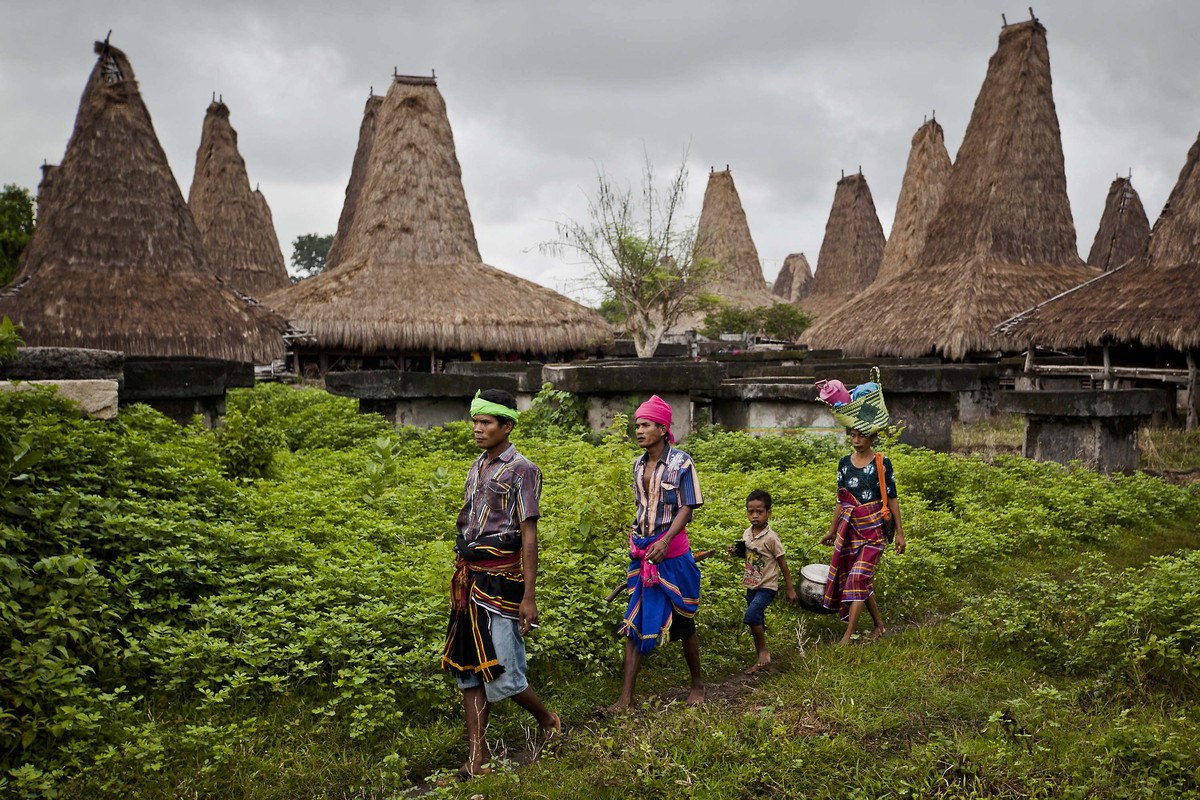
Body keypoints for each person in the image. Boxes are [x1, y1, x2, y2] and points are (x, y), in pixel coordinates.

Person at [441, 389, 560, 780]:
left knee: (505, 673)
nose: (477, 429)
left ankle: (548, 719)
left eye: (486, 422)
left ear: (506, 426)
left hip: (503, 581)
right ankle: (476, 757)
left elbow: (528, 535)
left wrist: (530, 594)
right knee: (470, 672)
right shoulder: (477, 466)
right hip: (470, 581)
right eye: (475, 422)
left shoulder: (523, 469)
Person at [607, 395, 705, 712]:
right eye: (637, 425)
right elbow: (642, 508)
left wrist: (665, 541)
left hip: (672, 553)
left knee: (682, 623)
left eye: (646, 425)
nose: (639, 430)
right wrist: (636, 540)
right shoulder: (637, 465)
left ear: (663, 429)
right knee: (633, 619)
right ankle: (625, 698)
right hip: (644, 554)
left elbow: (687, 507)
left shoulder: (681, 463)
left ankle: (697, 685)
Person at [820, 427, 905, 644]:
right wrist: (832, 530)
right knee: (861, 580)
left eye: (862, 436)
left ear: (873, 437)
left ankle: (847, 637)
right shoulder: (844, 464)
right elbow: (842, 500)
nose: (856, 441)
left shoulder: (881, 462)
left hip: (874, 529)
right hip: (850, 529)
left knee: (857, 577)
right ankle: (879, 624)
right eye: (853, 436)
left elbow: (892, 498)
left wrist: (900, 533)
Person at [728, 489, 797, 673]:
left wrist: (789, 588)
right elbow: (746, 555)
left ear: (769, 513)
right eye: (751, 511)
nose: (755, 515)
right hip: (751, 584)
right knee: (757, 619)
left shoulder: (771, 537)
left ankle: (763, 653)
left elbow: (782, 562)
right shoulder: (747, 533)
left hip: (767, 586)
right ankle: (764, 661)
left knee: (751, 616)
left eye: (759, 512)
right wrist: (736, 553)